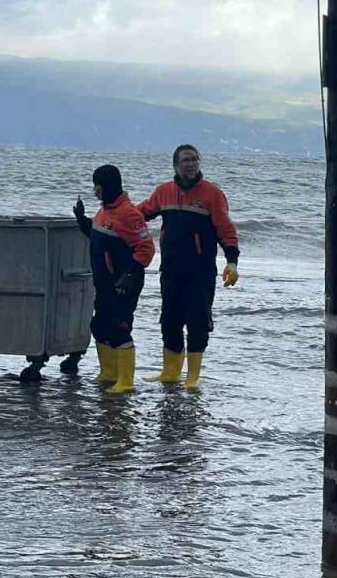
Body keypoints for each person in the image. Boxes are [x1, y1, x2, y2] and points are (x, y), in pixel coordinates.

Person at [136, 144, 239, 392]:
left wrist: (232, 261)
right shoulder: (163, 192)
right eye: (185, 160)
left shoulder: (212, 194)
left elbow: (225, 229)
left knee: (197, 322)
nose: (190, 164)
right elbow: (139, 214)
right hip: (170, 269)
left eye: (194, 159)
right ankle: (170, 373)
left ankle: (193, 376)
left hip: (200, 271)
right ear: (176, 164)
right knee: (169, 321)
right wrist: (109, 216)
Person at [73, 165, 155, 393]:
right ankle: (108, 373)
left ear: (108, 186)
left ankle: (126, 381)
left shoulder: (129, 214)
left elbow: (146, 248)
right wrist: (82, 220)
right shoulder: (104, 211)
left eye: (97, 187)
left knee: (119, 329)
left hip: (123, 284)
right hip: (104, 283)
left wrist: (130, 274)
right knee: (99, 326)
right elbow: (97, 235)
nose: (95, 192)